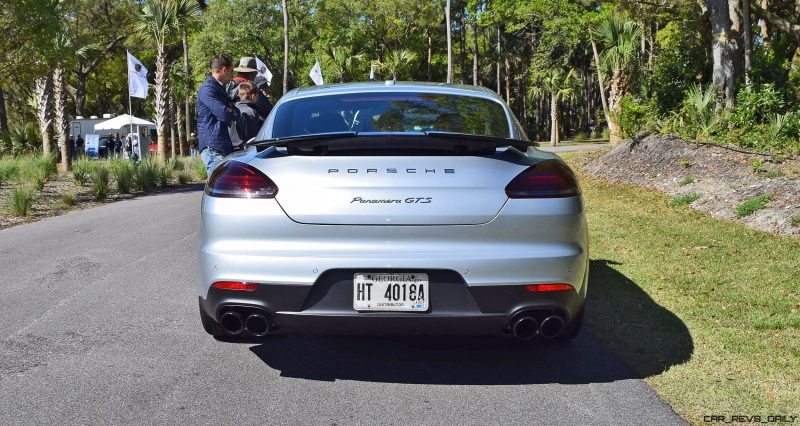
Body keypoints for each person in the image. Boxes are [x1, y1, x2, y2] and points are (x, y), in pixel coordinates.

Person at [196, 54, 238, 177]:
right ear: (224, 69)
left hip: (220, 144)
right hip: (213, 147)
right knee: (220, 188)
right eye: (231, 71)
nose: (231, 75)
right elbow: (224, 113)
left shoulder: (218, 87)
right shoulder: (207, 88)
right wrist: (231, 110)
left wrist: (229, 107)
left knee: (226, 187)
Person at [230, 81, 265, 149]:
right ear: (253, 96)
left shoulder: (233, 109)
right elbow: (252, 139)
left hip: (230, 151)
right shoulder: (251, 112)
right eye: (257, 95)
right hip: (243, 152)